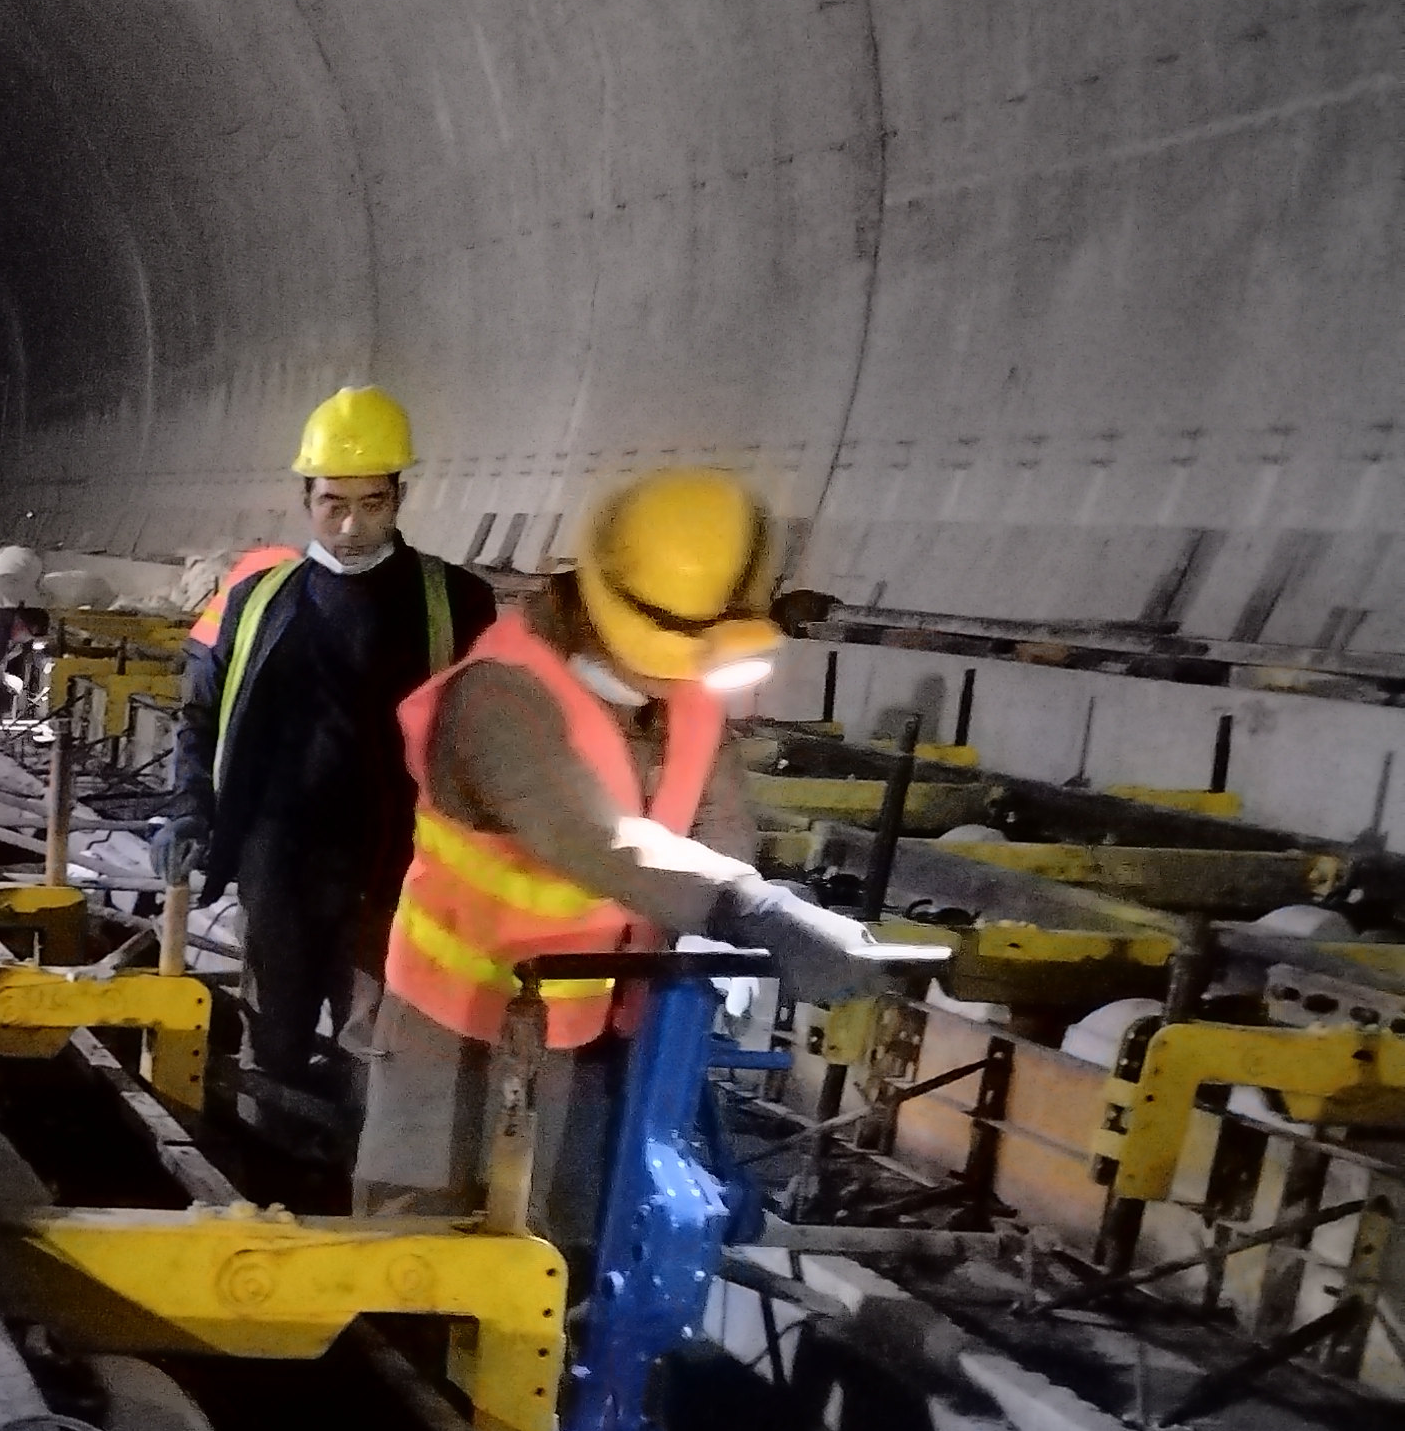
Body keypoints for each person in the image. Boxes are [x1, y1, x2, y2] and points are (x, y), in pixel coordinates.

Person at [351, 466, 900, 1216]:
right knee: (425, 1247)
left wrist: (720, 914)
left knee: (562, 1250)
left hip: (601, 1034)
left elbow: (717, 812)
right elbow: (592, 836)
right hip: (457, 1037)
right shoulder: (499, 698)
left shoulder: (684, 691)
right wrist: (746, 907)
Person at [169, 388, 495, 1134]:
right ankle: (258, 1181)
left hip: (394, 873)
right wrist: (191, 807)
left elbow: (486, 740)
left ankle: (356, 1195)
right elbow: (197, 711)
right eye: (332, 505)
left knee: (375, 1049)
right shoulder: (252, 596)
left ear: (400, 497)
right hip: (276, 859)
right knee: (272, 1038)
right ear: (305, 498)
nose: (351, 527)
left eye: (373, 504)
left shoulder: (459, 603)